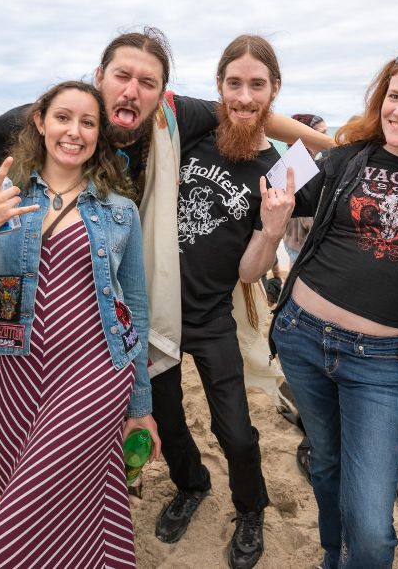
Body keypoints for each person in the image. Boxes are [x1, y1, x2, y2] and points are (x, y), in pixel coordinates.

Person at [0, 28, 333, 507]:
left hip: (131, 298)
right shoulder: (59, 117)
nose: (132, 90)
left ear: (163, 91)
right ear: (100, 76)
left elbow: (252, 112)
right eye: (122, 76)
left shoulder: (172, 116)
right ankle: (26, 509)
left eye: (148, 82)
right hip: (28, 311)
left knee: (164, 426)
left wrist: (334, 145)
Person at [0, 81, 157, 567]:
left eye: (88, 122)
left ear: (100, 134)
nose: (74, 132)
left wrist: (140, 402)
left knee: (27, 502)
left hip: (98, 371)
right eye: (63, 118)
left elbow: (135, 307)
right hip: (19, 370)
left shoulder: (120, 211)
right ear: (40, 121)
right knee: (51, 495)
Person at [268, 50, 398, 568]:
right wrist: (273, 207)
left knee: (373, 527)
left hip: (382, 363)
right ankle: (333, 557)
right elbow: (270, 179)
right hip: (302, 336)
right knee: (327, 461)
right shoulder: (346, 157)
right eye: (393, 97)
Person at [152, 35, 295, 569]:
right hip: (158, 311)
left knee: (234, 429)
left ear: (273, 90)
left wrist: (273, 231)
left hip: (212, 315)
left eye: (257, 84)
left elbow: (250, 273)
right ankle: (191, 485)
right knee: (166, 420)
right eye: (234, 83)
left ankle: (250, 506)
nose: (244, 94)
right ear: (219, 87)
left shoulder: (282, 170)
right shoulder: (192, 136)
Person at [283, 114, 328, 264]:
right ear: (306, 136)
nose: (327, 138)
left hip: (290, 241)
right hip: (301, 245)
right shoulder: (303, 169)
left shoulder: (289, 160)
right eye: (321, 134)